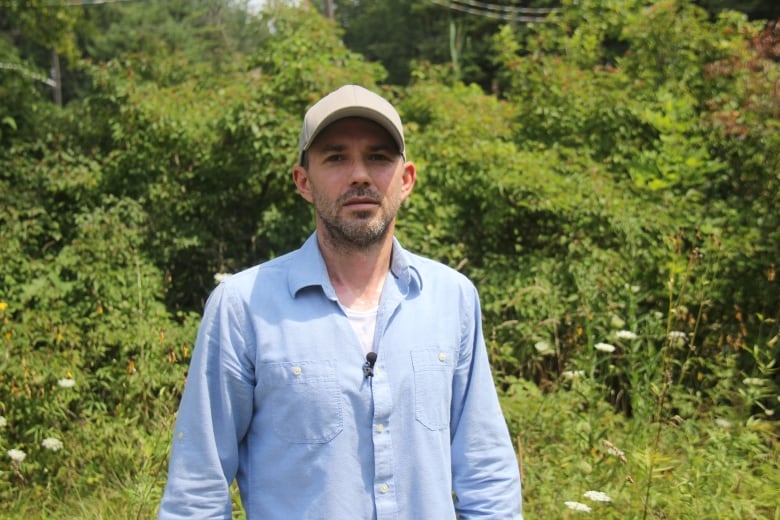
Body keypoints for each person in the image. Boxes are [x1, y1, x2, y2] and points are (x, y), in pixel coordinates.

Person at [158, 84, 523, 519]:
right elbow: (197, 487)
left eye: (378, 157)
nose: (360, 176)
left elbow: (486, 473)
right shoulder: (243, 307)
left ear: (405, 179)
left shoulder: (452, 298)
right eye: (335, 158)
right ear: (303, 182)